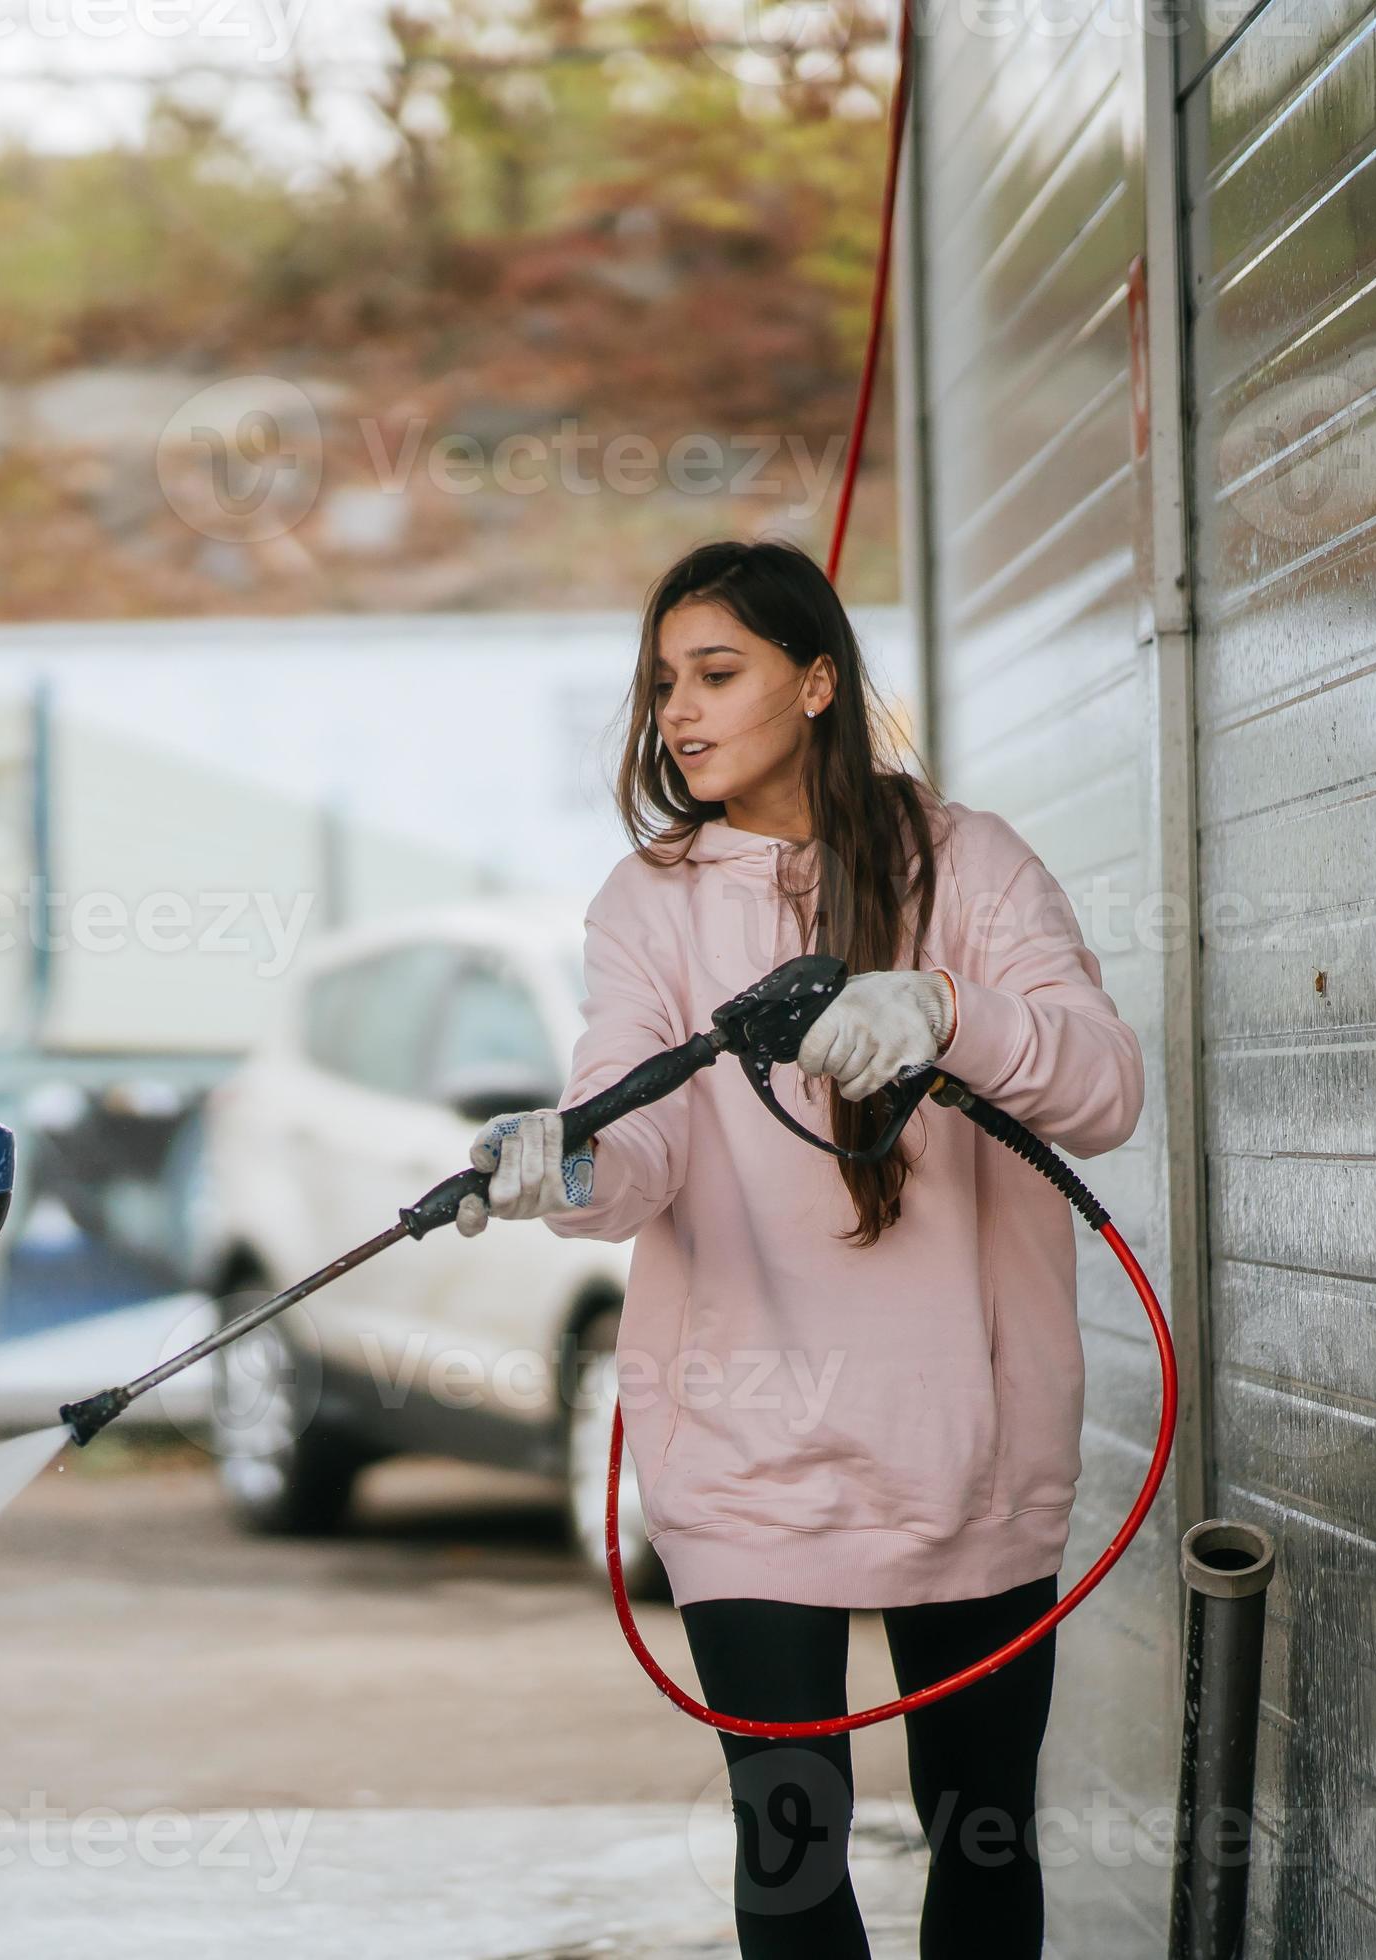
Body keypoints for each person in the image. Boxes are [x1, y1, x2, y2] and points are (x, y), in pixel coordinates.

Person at [454, 537, 1145, 1958]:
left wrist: (951, 1013)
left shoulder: (972, 863)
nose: (678, 716)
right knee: (786, 1842)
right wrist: (562, 1160)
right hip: (746, 1445)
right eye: (661, 686)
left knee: (981, 1825)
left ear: (818, 681)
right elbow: (640, 1144)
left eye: (717, 674)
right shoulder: (647, 900)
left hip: (971, 1442)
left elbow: (1106, 1091)